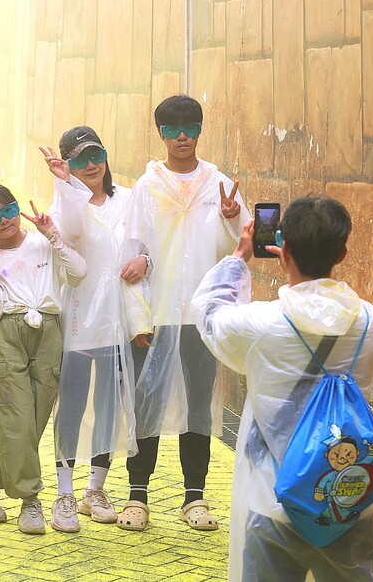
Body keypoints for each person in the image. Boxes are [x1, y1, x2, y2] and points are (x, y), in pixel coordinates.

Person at [192, 196, 373, 582]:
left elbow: (210, 315)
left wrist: (239, 256)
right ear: (342, 253)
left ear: (284, 252)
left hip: (273, 496)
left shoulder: (260, 323)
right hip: (346, 498)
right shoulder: (369, 321)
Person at [116, 94, 249, 533]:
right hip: (156, 313)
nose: (182, 137)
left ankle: (195, 496)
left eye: (190, 127)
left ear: (200, 129)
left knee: (199, 406)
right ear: (160, 134)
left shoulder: (219, 184)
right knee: (147, 402)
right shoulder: (147, 186)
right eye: (172, 129)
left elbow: (241, 246)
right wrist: (138, 319)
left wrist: (232, 218)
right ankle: (138, 496)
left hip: (200, 315)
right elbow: (133, 255)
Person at [38, 127, 150, 533]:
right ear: (67, 164)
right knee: (70, 405)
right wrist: (64, 184)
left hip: (118, 323)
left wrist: (146, 262)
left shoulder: (130, 199)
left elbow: (148, 245)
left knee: (109, 407)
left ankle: (94, 489)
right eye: (79, 159)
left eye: (96, 155)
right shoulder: (62, 205)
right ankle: (64, 493)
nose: (91, 165)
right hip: (78, 321)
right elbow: (73, 232)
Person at [0, 183, 86, 535]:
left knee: (30, 424)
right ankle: (30, 501)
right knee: (14, 419)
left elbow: (79, 273)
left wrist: (53, 235)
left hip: (49, 332)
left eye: (9, 210)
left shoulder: (42, 242)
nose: (4, 220)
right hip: (9, 334)